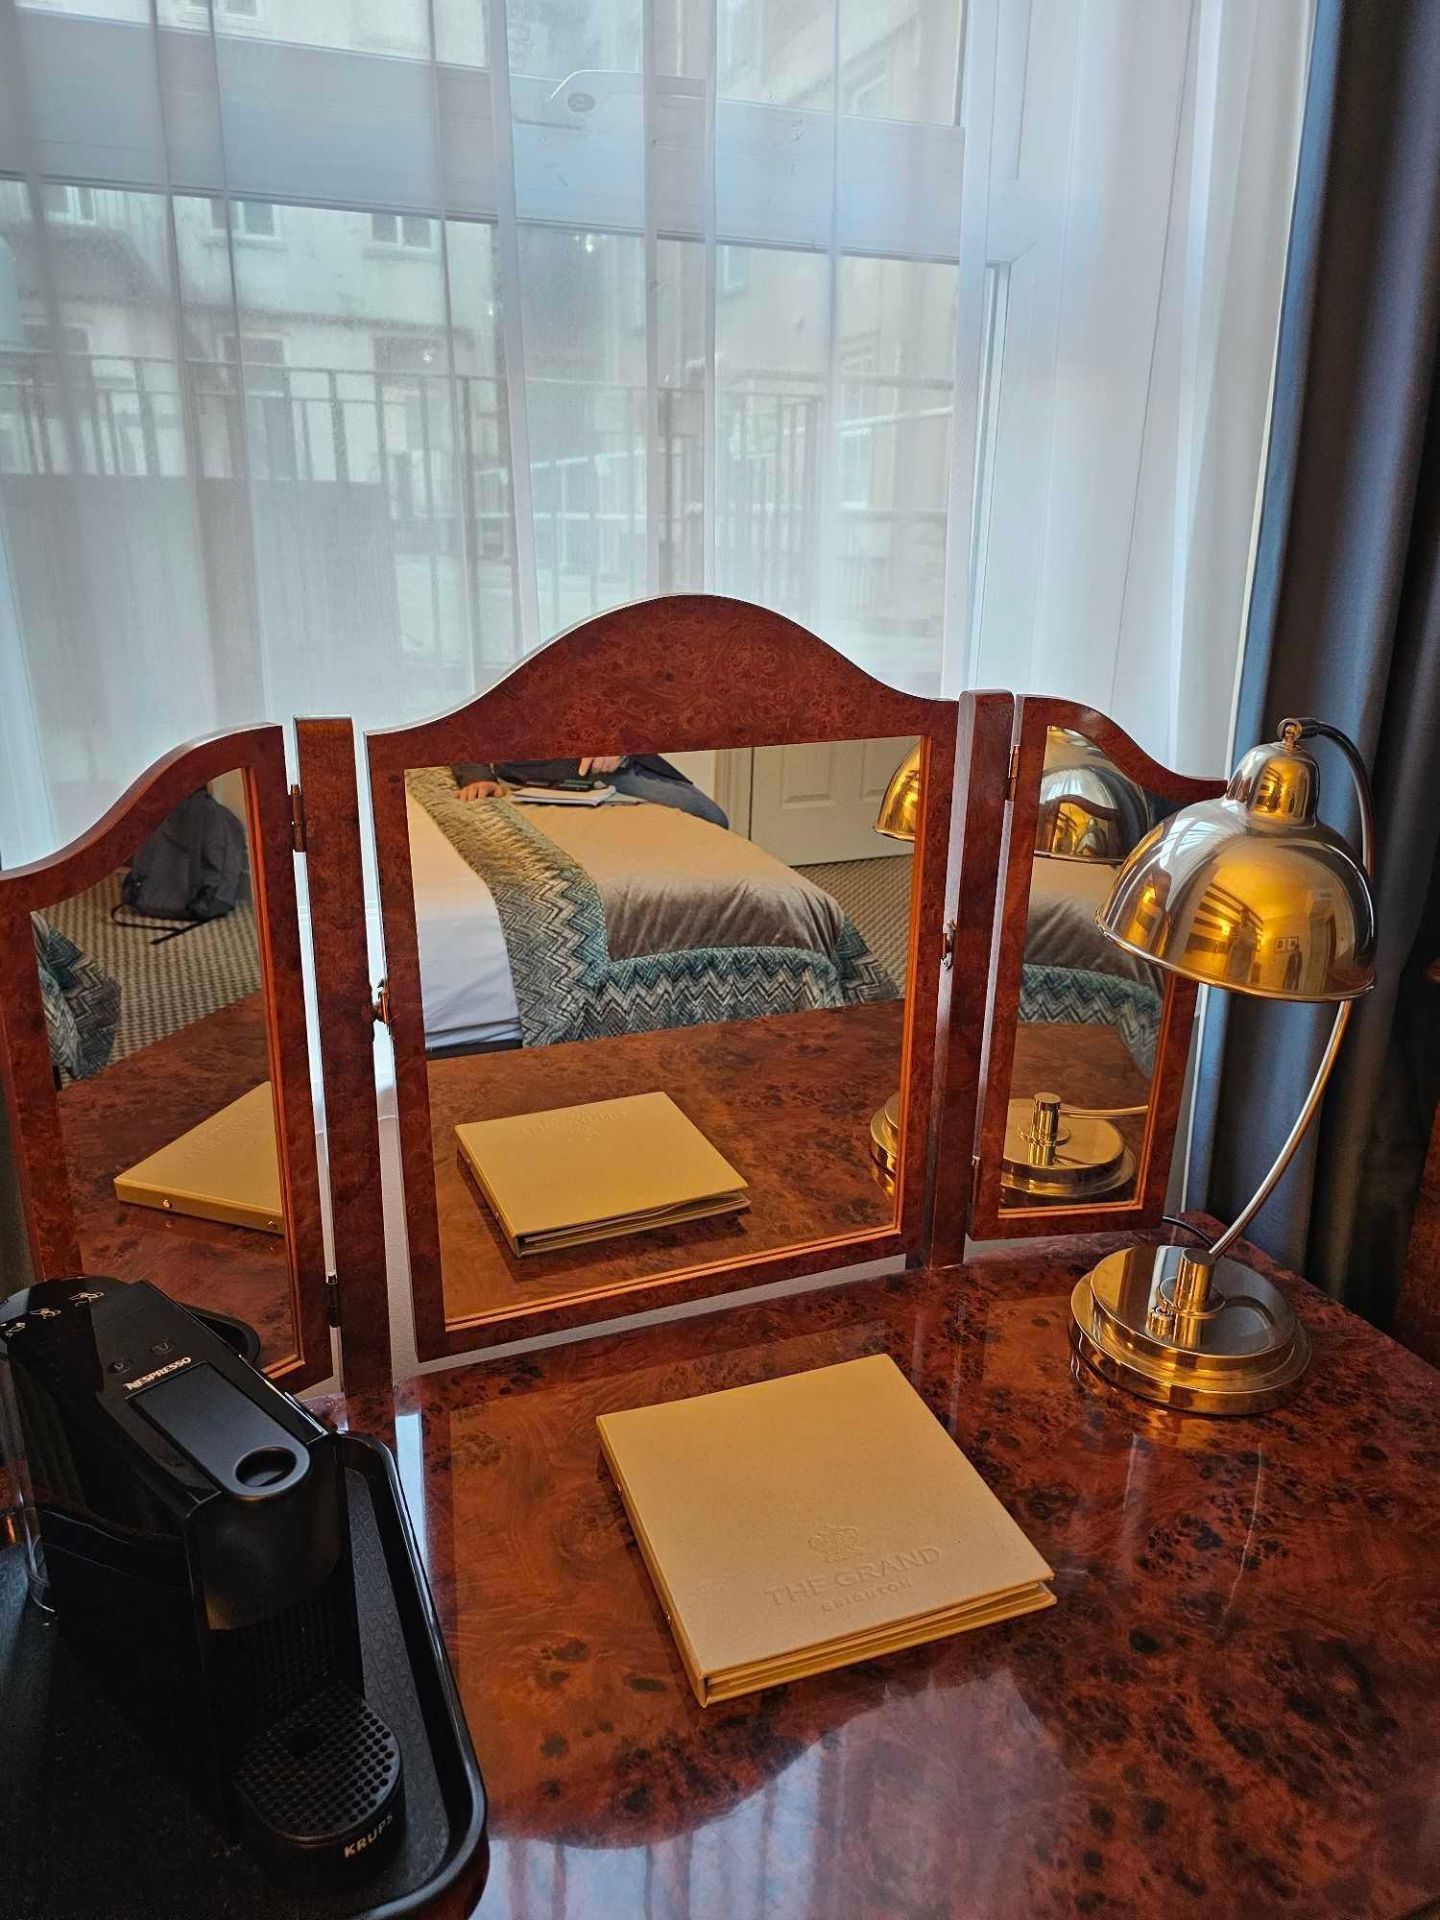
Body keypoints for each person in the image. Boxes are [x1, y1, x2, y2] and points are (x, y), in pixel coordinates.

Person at [450, 754, 730, 829]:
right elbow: (467, 721)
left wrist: (620, 743)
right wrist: (477, 776)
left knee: (710, 816)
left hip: (610, 769)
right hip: (529, 775)